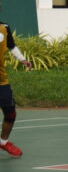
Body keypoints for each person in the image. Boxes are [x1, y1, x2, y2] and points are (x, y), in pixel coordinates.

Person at [0, 10, 32, 158]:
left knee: (10, 113)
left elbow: (11, 46)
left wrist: (22, 59)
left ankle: (3, 142)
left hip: (2, 81)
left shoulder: (4, 27)